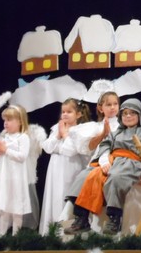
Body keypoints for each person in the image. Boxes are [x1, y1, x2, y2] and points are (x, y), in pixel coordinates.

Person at [75, 98, 141, 235]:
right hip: (113, 161)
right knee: (85, 175)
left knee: (116, 177)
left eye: (132, 113)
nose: (128, 116)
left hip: (132, 163)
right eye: (125, 113)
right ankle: (81, 217)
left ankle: (114, 218)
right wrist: (105, 162)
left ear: (139, 115)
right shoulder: (116, 133)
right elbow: (105, 146)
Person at [63, 91, 120, 234]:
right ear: (101, 108)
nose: (112, 107)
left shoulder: (122, 125)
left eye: (115, 104)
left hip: (116, 160)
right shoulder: (95, 127)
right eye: (108, 104)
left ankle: (113, 220)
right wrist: (103, 133)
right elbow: (89, 148)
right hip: (98, 160)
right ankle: (81, 219)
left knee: (101, 176)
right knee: (82, 177)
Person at [0, 104, 40, 235]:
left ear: (20, 121)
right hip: (5, 178)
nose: (5, 123)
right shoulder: (4, 137)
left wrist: (6, 150)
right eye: (4, 120)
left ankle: (16, 238)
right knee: (4, 208)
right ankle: (2, 236)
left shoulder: (23, 137)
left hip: (17, 178)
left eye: (9, 120)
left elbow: (22, 157)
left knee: (17, 209)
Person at [38, 98, 92, 235]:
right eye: (63, 112)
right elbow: (47, 147)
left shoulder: (80, 130)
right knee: (54, 196)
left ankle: (65, 234)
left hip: (71, 167)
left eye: (69, 112)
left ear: (78, 114)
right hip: (55, 168)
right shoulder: (57, 128)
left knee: (66, 196)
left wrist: (65, 135)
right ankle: (50, 232)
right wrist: (58, 135)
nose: (65, 114)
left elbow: (71, 150)